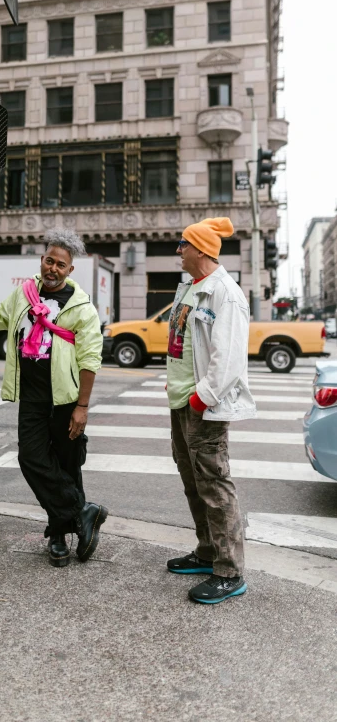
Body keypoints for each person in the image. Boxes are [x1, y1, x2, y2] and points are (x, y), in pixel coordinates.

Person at [0, 229, 107, 567]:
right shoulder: (24, 293)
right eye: (49, 260)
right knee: (32, 459)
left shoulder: (82, 307)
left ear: (70, 269)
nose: (53, 268)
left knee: (67, 466)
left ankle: (59, 534)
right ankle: (83, 512)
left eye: (61, 264)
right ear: (41, 260)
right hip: (33, 398)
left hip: (66, 400)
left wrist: (82, 408)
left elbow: (91, 360)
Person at [165, 217, 256, 604]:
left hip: (203, 406)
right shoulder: (190, 286)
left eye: (182, 245)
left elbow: (229, 359)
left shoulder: (226, 294)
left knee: (215, 486)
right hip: (182, 401)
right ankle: (207, 552)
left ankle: (229, 571)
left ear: (200, 249)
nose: (178, 251)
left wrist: (202, 397)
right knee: (194, 482)